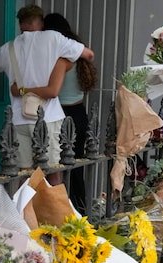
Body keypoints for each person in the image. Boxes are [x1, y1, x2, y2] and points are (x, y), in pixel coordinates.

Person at [0, 5, 94, 185]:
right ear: (40, 22)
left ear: (20, 25)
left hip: (20, 120)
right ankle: (55, 212)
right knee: (54, 171)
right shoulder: (53, 38)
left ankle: (25, 212)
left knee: (24, 176)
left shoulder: (9, 48)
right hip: (48, 119)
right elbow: (88, 54)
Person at [9, 13, 98, 213]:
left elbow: (50, 91)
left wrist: (21, 90)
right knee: (73, 166)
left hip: (54, 115)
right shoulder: (75, 56)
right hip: (78, 112)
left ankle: (45, 212)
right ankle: (77, 210)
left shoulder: (55, 57)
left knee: (46, 169)